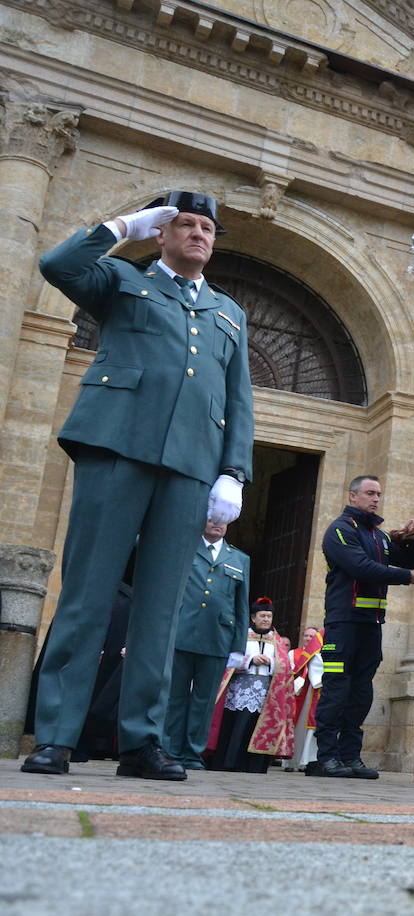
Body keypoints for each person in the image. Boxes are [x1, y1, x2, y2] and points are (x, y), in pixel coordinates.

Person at [24, 192, 253, 780]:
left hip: (190, 467)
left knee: (161, 610)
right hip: (117, 448)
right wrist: (121, 224)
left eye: (207, 227)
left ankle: (141, 742)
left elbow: (237, 399)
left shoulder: (230, 313)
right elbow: (58, 266)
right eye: (185, 225)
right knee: (87, 595)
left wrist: (233, 471)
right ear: (161, 234)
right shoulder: (125, 280)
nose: (198, 234)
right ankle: (55, 735)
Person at [313, 475, 414, 779]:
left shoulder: (379, 535)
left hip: (371, 625)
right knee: (337, 690)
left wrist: (411, 541)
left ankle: (351, 757)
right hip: (343, 624)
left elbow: (400, 556)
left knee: (361, 693)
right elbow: (360, 567)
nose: (376, 499)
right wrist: (407, 576)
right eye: (369, 493)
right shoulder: (339, 530)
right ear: (353, 496)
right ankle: (326, 758)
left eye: (378, 494)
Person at [162, 519, 250, 769]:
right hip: (183, 632)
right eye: (213, 519)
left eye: (223, 521)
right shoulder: (186, 548)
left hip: (218, 637)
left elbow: (241, 606)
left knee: (205, 699)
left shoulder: (239, 559)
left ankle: (192, 752)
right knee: (175, 696)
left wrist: (238, 646)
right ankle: (169, 749)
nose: (217, 525)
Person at [206, 599, 295, 773]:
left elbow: (285, 667)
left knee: (254, 728)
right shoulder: (242, 636)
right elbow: (229, 660)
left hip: (265, 693)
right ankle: (229, 763)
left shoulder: (276, 641)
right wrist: (250, 661)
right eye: (262, 616)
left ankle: (253, 766)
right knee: (235, 726)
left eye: (269, 616)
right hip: (239, 689)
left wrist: (271, 664)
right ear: (253, 618)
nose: (266, 619)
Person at [286, 626, 325, 772]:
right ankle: (304, 759)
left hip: (330, 688)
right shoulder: (295, 652)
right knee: (309, 724)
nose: (309, 639)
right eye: (306, 635)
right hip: (313, 690)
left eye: (311, 636)